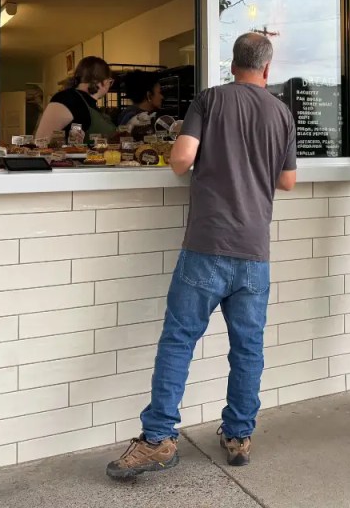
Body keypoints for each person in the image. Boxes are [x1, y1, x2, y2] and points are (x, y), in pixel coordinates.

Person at [106, 33, 296, 479]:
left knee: (178, 341)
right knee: (248, 348)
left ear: (233, 65)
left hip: (207, 247)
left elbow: (180, 159)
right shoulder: (283, 113)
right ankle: (238, 435)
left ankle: (157, 440)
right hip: (254, 252)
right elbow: (287, 181)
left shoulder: (209, 100)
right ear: (267, 69)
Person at [34, 56, 116, 142]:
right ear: (102, 81)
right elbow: (41, 140)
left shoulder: (92, 106)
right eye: (110, 81)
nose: (109, 85)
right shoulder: (66, 98)